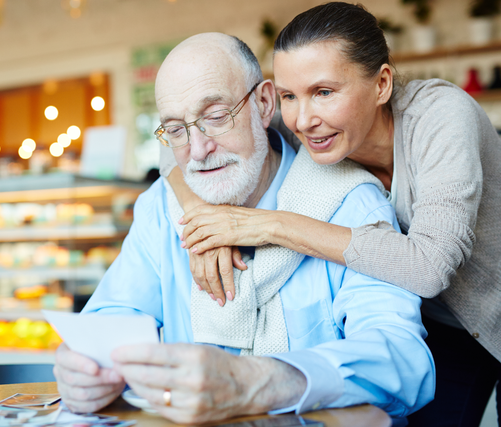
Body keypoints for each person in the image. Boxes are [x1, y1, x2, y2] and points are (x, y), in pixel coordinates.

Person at [54, 32, 434, 426]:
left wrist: (256, 381)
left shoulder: (350, 203)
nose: (198, 150)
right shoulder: (161, 208)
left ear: (264, 103)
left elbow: (401, 360)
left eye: (216, 117)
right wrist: (84, 367)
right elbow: (114, 317)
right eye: (177, 130)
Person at [163, 3, 501, 427]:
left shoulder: (440, 117)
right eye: (288, 96)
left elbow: (430, 267)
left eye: (324, 92)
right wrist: (203, 220)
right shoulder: (311, 128)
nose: (304, 119)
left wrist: (270, 225)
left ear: (381, 84)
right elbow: (174, 149)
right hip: (440, 326)